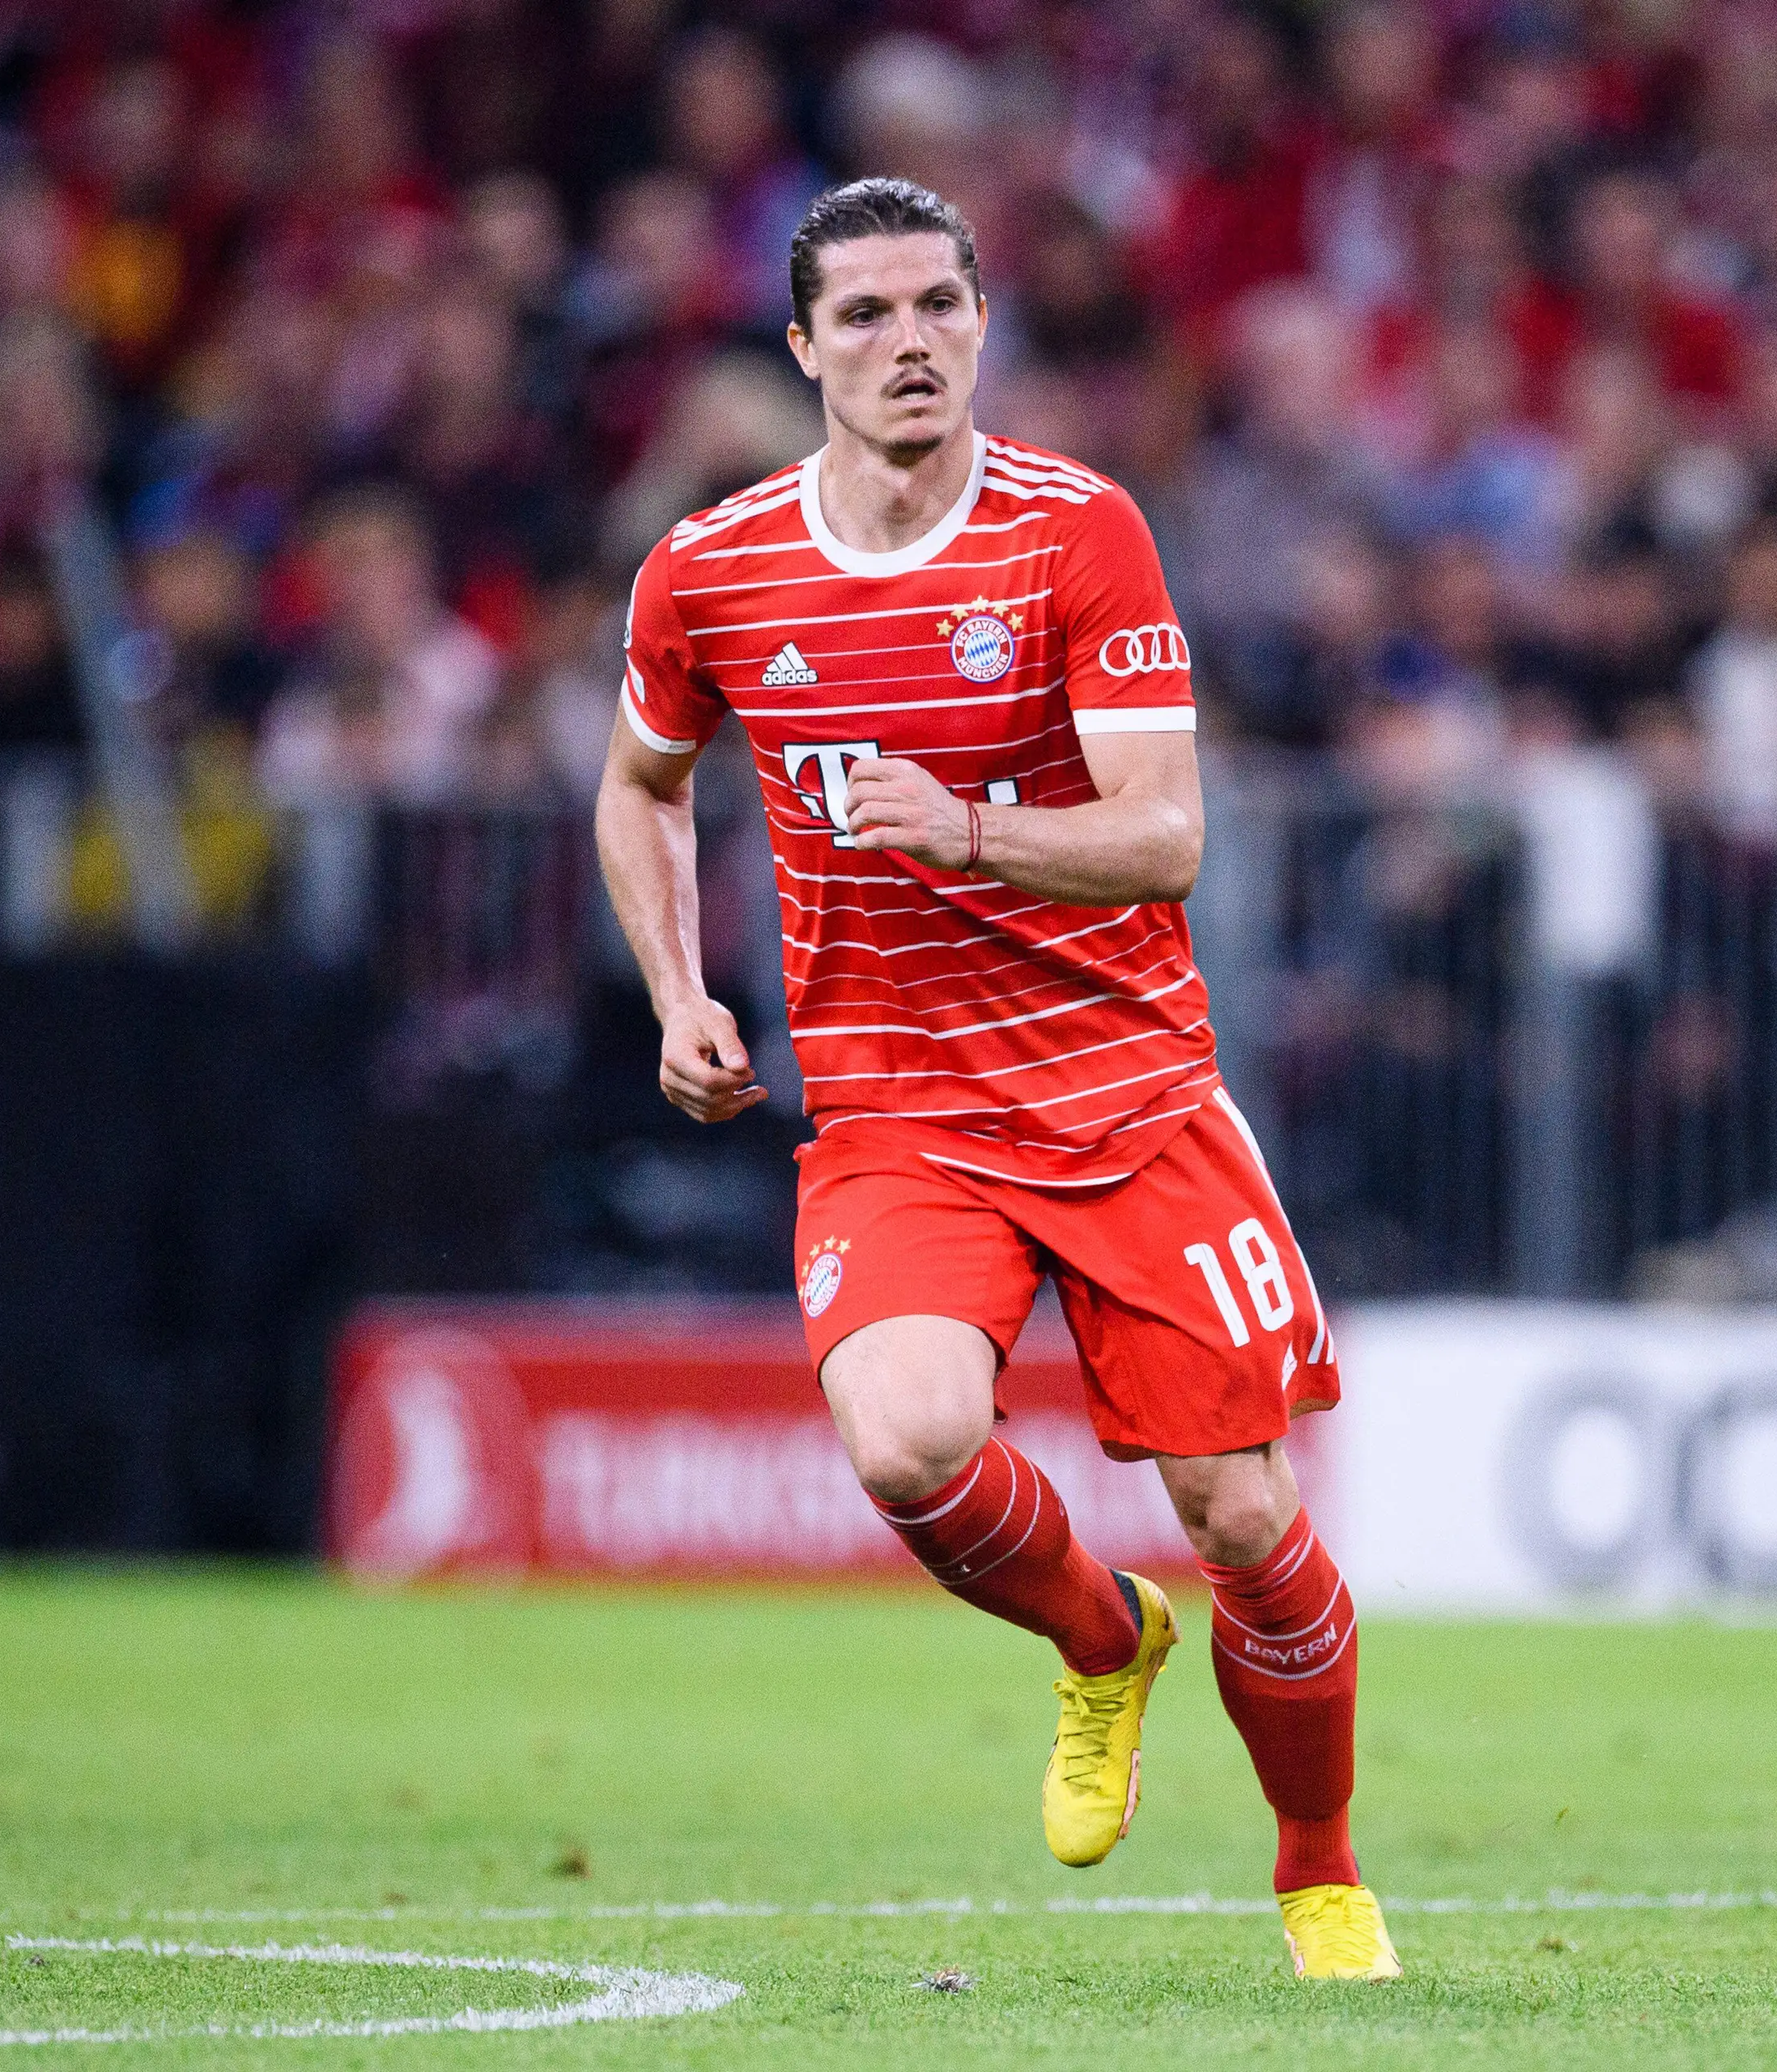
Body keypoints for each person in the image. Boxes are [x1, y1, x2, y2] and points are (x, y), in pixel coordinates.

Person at [593, 178, 1395, 1981]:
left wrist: (962, 826)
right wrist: (675, 992)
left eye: (940, 306)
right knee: (906, 1436)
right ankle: (1102, 1641)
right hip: (897, 1113)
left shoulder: (1074, 532)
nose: (910, 343)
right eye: (864, 316)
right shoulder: (711, 568)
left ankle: (1318, 1867)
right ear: (802, 350)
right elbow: (638, 784)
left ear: (981, 324)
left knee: (1251, 1518)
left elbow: (1168, 835)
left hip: (1126, 1091)